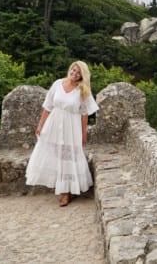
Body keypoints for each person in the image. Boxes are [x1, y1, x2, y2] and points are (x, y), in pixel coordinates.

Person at [26, 61, 98, 207]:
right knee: (53, 153)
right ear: (70, 69)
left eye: (78, 72)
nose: (74, 73)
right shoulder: (57, 84)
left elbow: (84, 114)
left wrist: (83, 133)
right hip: (54, 122)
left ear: (82, 76)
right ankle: (59, 185)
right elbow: (48, 106)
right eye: (73, 70)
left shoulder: (82, 90)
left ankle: (66, 192)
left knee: (67, 156)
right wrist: (41, 124)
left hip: (71, 126)